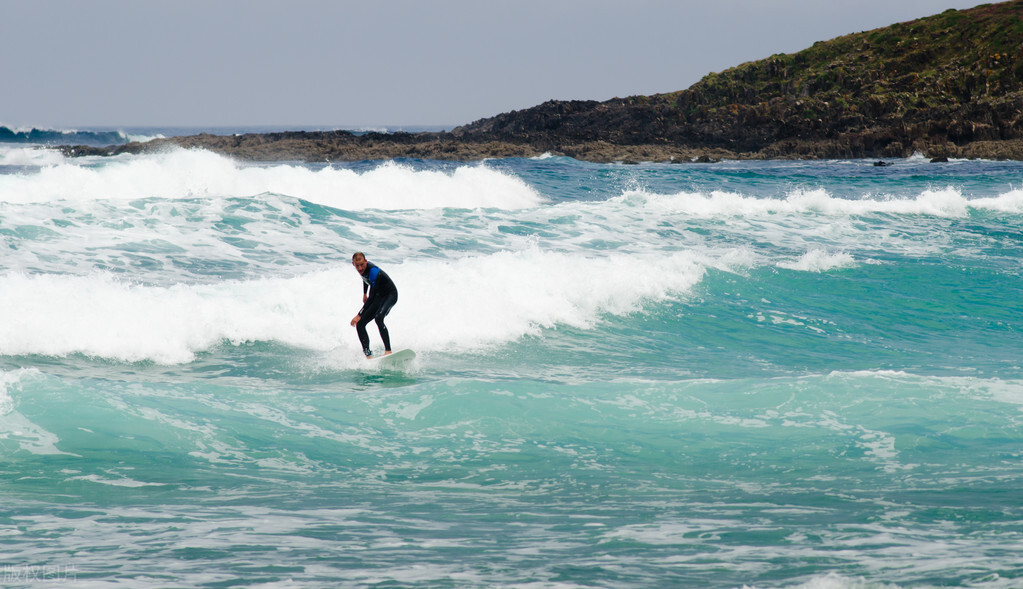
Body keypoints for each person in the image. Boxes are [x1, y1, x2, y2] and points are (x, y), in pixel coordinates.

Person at [350, 252, 398, 358]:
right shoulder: (362, 269)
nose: (360, 268)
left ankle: (388, 350)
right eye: (357, 266)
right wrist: (364, 293)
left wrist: (359, 315)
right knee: (360, 324)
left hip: (390, 295)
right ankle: (368, 355)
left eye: (362, 264)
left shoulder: (374, 271)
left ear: (366, 261)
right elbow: (365, 279)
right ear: (353, 264)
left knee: (379, 318)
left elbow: (372, 298)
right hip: (379, 295)